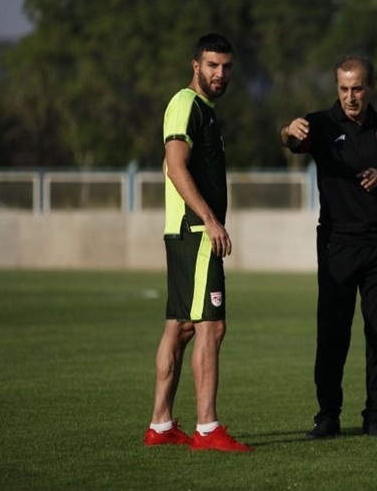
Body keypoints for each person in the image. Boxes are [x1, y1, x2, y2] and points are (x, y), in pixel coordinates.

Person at [280, 56, 377, 439]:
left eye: (357, 88)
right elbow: (290, 141)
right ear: (337, 88)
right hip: (337, 243)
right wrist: (287, 130)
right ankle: (327, 416)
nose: (350, 96)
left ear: (370, 88)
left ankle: (375, 416)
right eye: (343, 89)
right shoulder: (320, 123)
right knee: (333, 332)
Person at [143, 33, 252, 453]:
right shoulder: (185, 105)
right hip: (195, 231)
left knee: (182, 326)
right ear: (195, 66)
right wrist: (210, 221)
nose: (219, 73)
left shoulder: (205, 110)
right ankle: (207, 429)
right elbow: (175, 167)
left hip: (187, 232)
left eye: (226, 67)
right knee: (213, 326)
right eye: (211, 65)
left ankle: (161, 423)